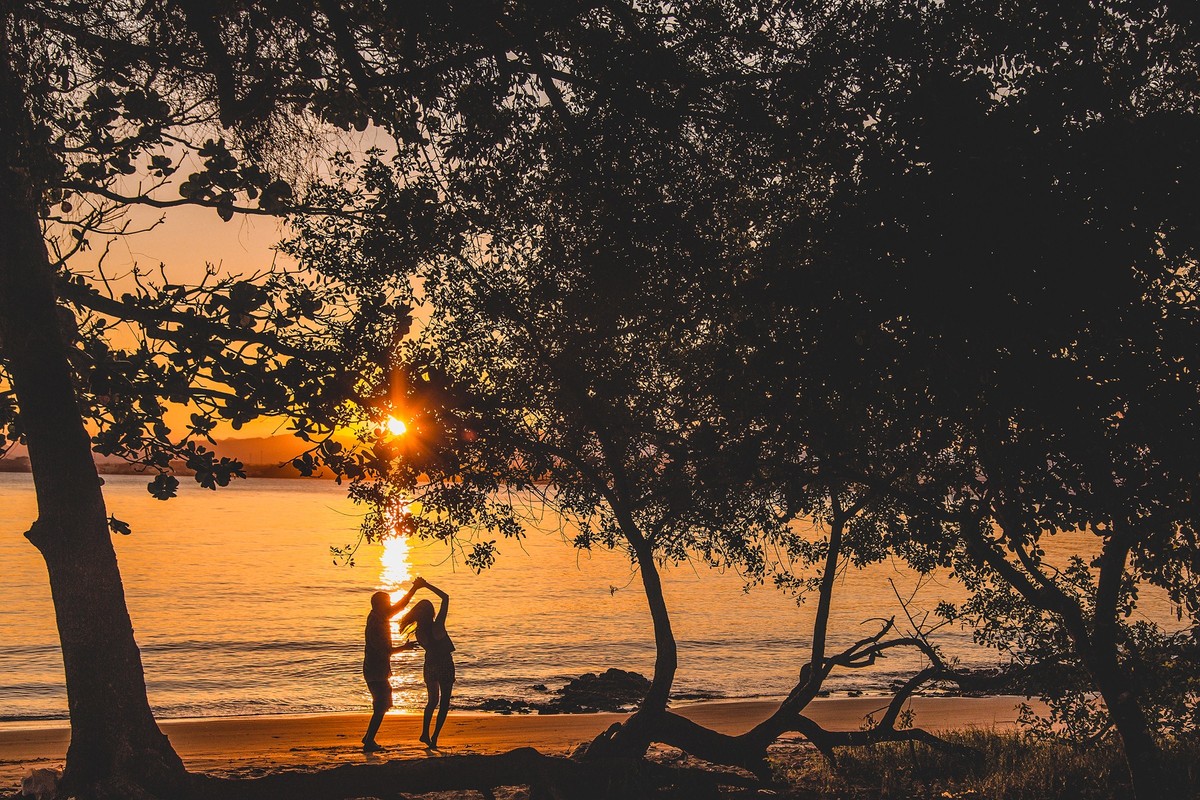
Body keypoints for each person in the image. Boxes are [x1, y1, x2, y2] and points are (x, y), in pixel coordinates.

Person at [361, 582, 420, 752]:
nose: (390, 606)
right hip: (375, 670)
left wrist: (414, 588)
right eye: (387, 603)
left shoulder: (381, 616)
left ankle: (368, 737)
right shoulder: (376, 624)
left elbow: (401, 606)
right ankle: (369, 740)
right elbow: (384, 650)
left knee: (382, 704)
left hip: (379, 670)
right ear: (380, 605)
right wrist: (405, 648)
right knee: (382, 704)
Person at [398, 576, 455, 748]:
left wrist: (418, 587)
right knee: (444, 702)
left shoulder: (418, 632)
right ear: (431, 613)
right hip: (444, 664)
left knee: (432, 702)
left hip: (430, 665)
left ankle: (424, 733)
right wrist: (426, 585)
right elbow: (445, 598)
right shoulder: (438, 626)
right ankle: (435, 738)